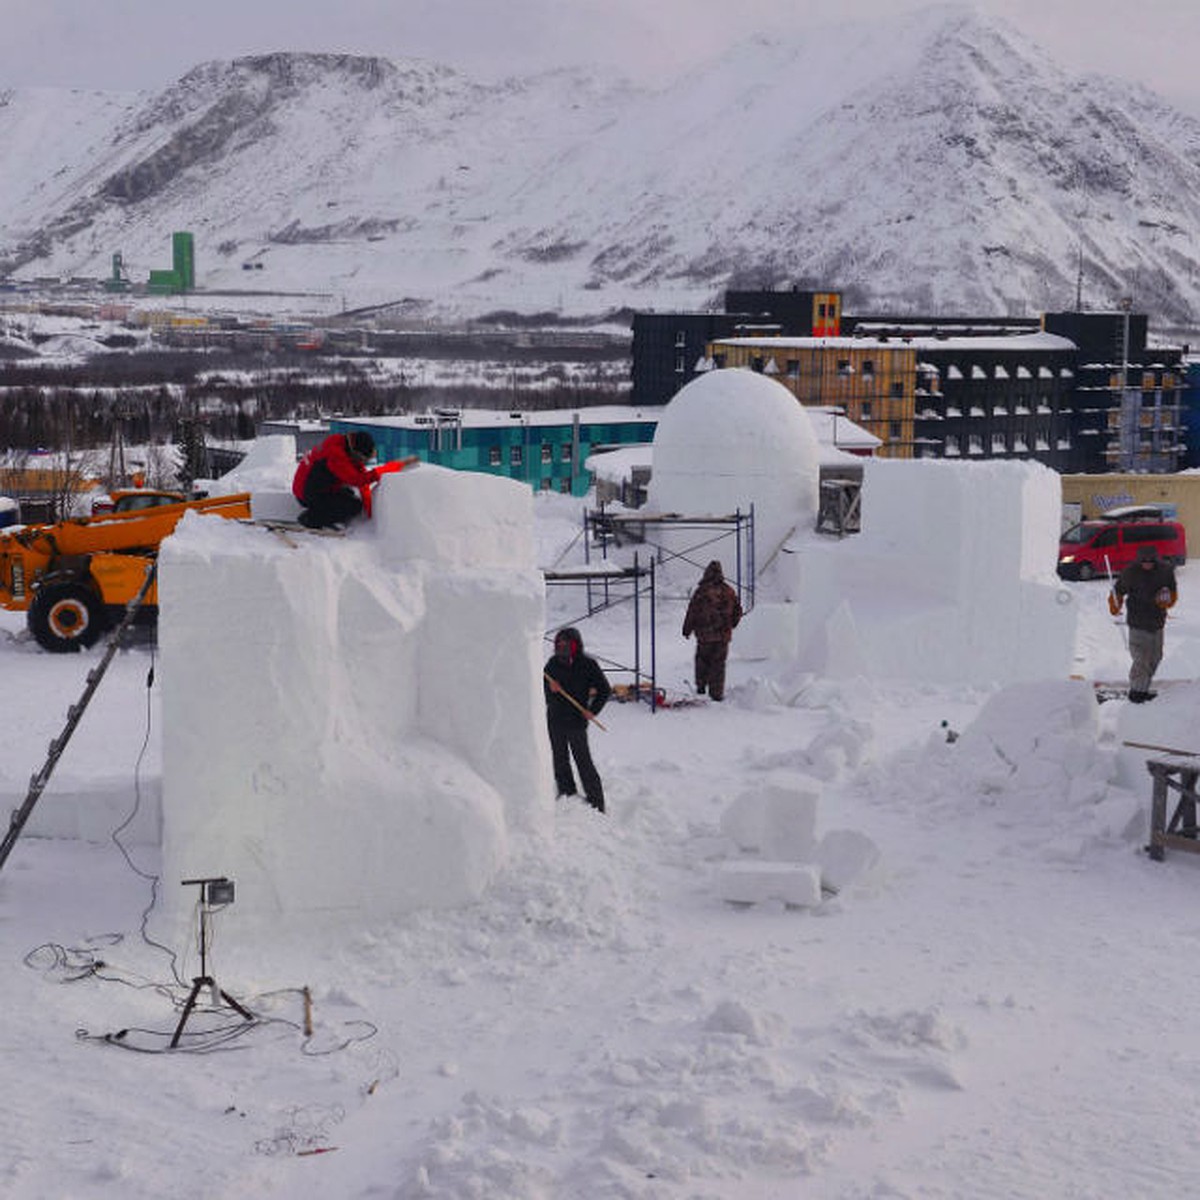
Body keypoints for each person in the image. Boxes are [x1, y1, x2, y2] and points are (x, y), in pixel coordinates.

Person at [543, 626, 611, 813]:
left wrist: (592, 710)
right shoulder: (552, 665)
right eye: (559, 644)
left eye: (566, 644)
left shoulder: (588, 665)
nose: (562, 647)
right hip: (555, 720)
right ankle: (567, 794)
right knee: (560, 759)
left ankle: (597, 802)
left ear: (575, 645)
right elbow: (544, 694)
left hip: (576, 721)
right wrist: (551, 689)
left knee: (583, 761)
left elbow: (605, 690)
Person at [1110, 544, 1177, 703]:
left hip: (1157, 621)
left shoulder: (1165, 571)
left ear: (1156, 560)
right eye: (1144, 561)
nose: (1147, 564)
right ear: (1138, 560)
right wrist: (1115, 602)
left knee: (1155, 658)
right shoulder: (1130, 572)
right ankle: (1136, 692)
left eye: (1150, 561)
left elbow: (1172, 590)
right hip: (1137, 622)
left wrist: (1169, 599)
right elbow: (1118, 590)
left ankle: (1144, 688)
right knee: (1140, 659)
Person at [681, 560, 743, 701]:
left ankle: (701, 687)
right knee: (718, 664)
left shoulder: (701, 591)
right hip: (722, 636)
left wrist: (687, 629)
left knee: (702, 660)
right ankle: (716, 693)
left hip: (704, 635)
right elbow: (737, 610)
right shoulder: (729, 591)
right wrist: (731, 624)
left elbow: (692, 612)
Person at [292, 431, 380, 529]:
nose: (363, 462)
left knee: (348, 494)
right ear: (355, 452)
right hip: (306, 493)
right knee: (353, 506)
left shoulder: (340, 442)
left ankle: (321, 510)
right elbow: (355, 479)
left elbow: (355, 467)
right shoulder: (336, 454)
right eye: (362, 458)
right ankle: (310, 518)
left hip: (311, 487)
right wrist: (378, 473)